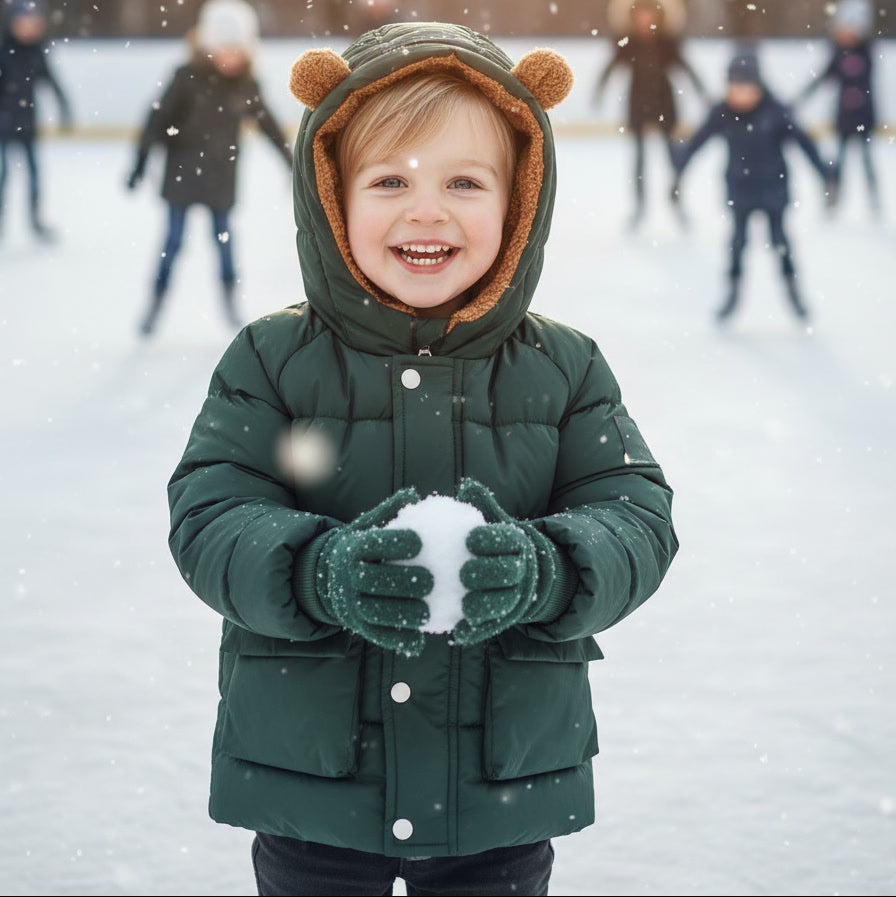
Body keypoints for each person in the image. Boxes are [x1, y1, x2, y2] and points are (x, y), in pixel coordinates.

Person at [167, 21, 678, 897]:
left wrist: (549, 569)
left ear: (520, 201)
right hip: (314, 785)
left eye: (464, 182)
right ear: (331, 197)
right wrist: (316, 571)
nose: (427, 210)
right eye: (390, 180)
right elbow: (211, 514)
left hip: (498, 789)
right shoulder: (271, 358)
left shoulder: (566, 366)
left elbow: (636, 515)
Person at [126, 0, 293, 338]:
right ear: (209, 46)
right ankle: (157, 299)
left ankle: (230, 297)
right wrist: (140, 164)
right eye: (224, 48)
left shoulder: (246, 83)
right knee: (172, 242)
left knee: (224, 241)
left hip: (220, 177)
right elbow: (156, 120)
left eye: (238, 49)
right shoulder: (186, 77)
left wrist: (291, 162)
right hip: (182, 176)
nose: (231, 56)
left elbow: (269, 125)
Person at [672, 49, 837, 324]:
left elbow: (805, 143)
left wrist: (826, 174)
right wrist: (679, 169)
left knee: (780, 242)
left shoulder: (776, 111)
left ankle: (793, 291)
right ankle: (732, 291)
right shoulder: (722, 112)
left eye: (745, 88)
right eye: (734, 87)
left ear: (758, 86)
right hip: (739, 189)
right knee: (737, 243)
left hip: (774, 189)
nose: (739, 94)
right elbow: (697, 142)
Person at [592, 0, 706, 229]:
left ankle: (676, 201)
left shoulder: (667, 42)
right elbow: (611, 67)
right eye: (641, 15)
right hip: (638, 103)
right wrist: (599, 91)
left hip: (664, 103)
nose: (645, 20)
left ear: (659, 17)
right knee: (639, 158)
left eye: (650, 15)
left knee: (672, 156)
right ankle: (639, 206)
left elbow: (685, 67)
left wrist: (701, 91)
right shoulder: (628, 42)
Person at [795, 0, 880, 217]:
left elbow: (862, 82)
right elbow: (823, 78)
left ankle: (874, 200)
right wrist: (801, 98)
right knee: (838, 161)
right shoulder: (838, 54)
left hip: (864, 117)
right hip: (843, 118)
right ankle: (833, 198)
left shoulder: (866, 53)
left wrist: (858, 99)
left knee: (866, 161)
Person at [0, 0, 72, 241]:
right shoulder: (4, 50)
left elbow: (50, 81)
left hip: (27, 122)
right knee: (3, 175)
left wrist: (64, 109)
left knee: (34, 173)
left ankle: (35, 221)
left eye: (34, 22)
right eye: (25, 22)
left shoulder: (36, 51)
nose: (30, 27)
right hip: (3, 123)